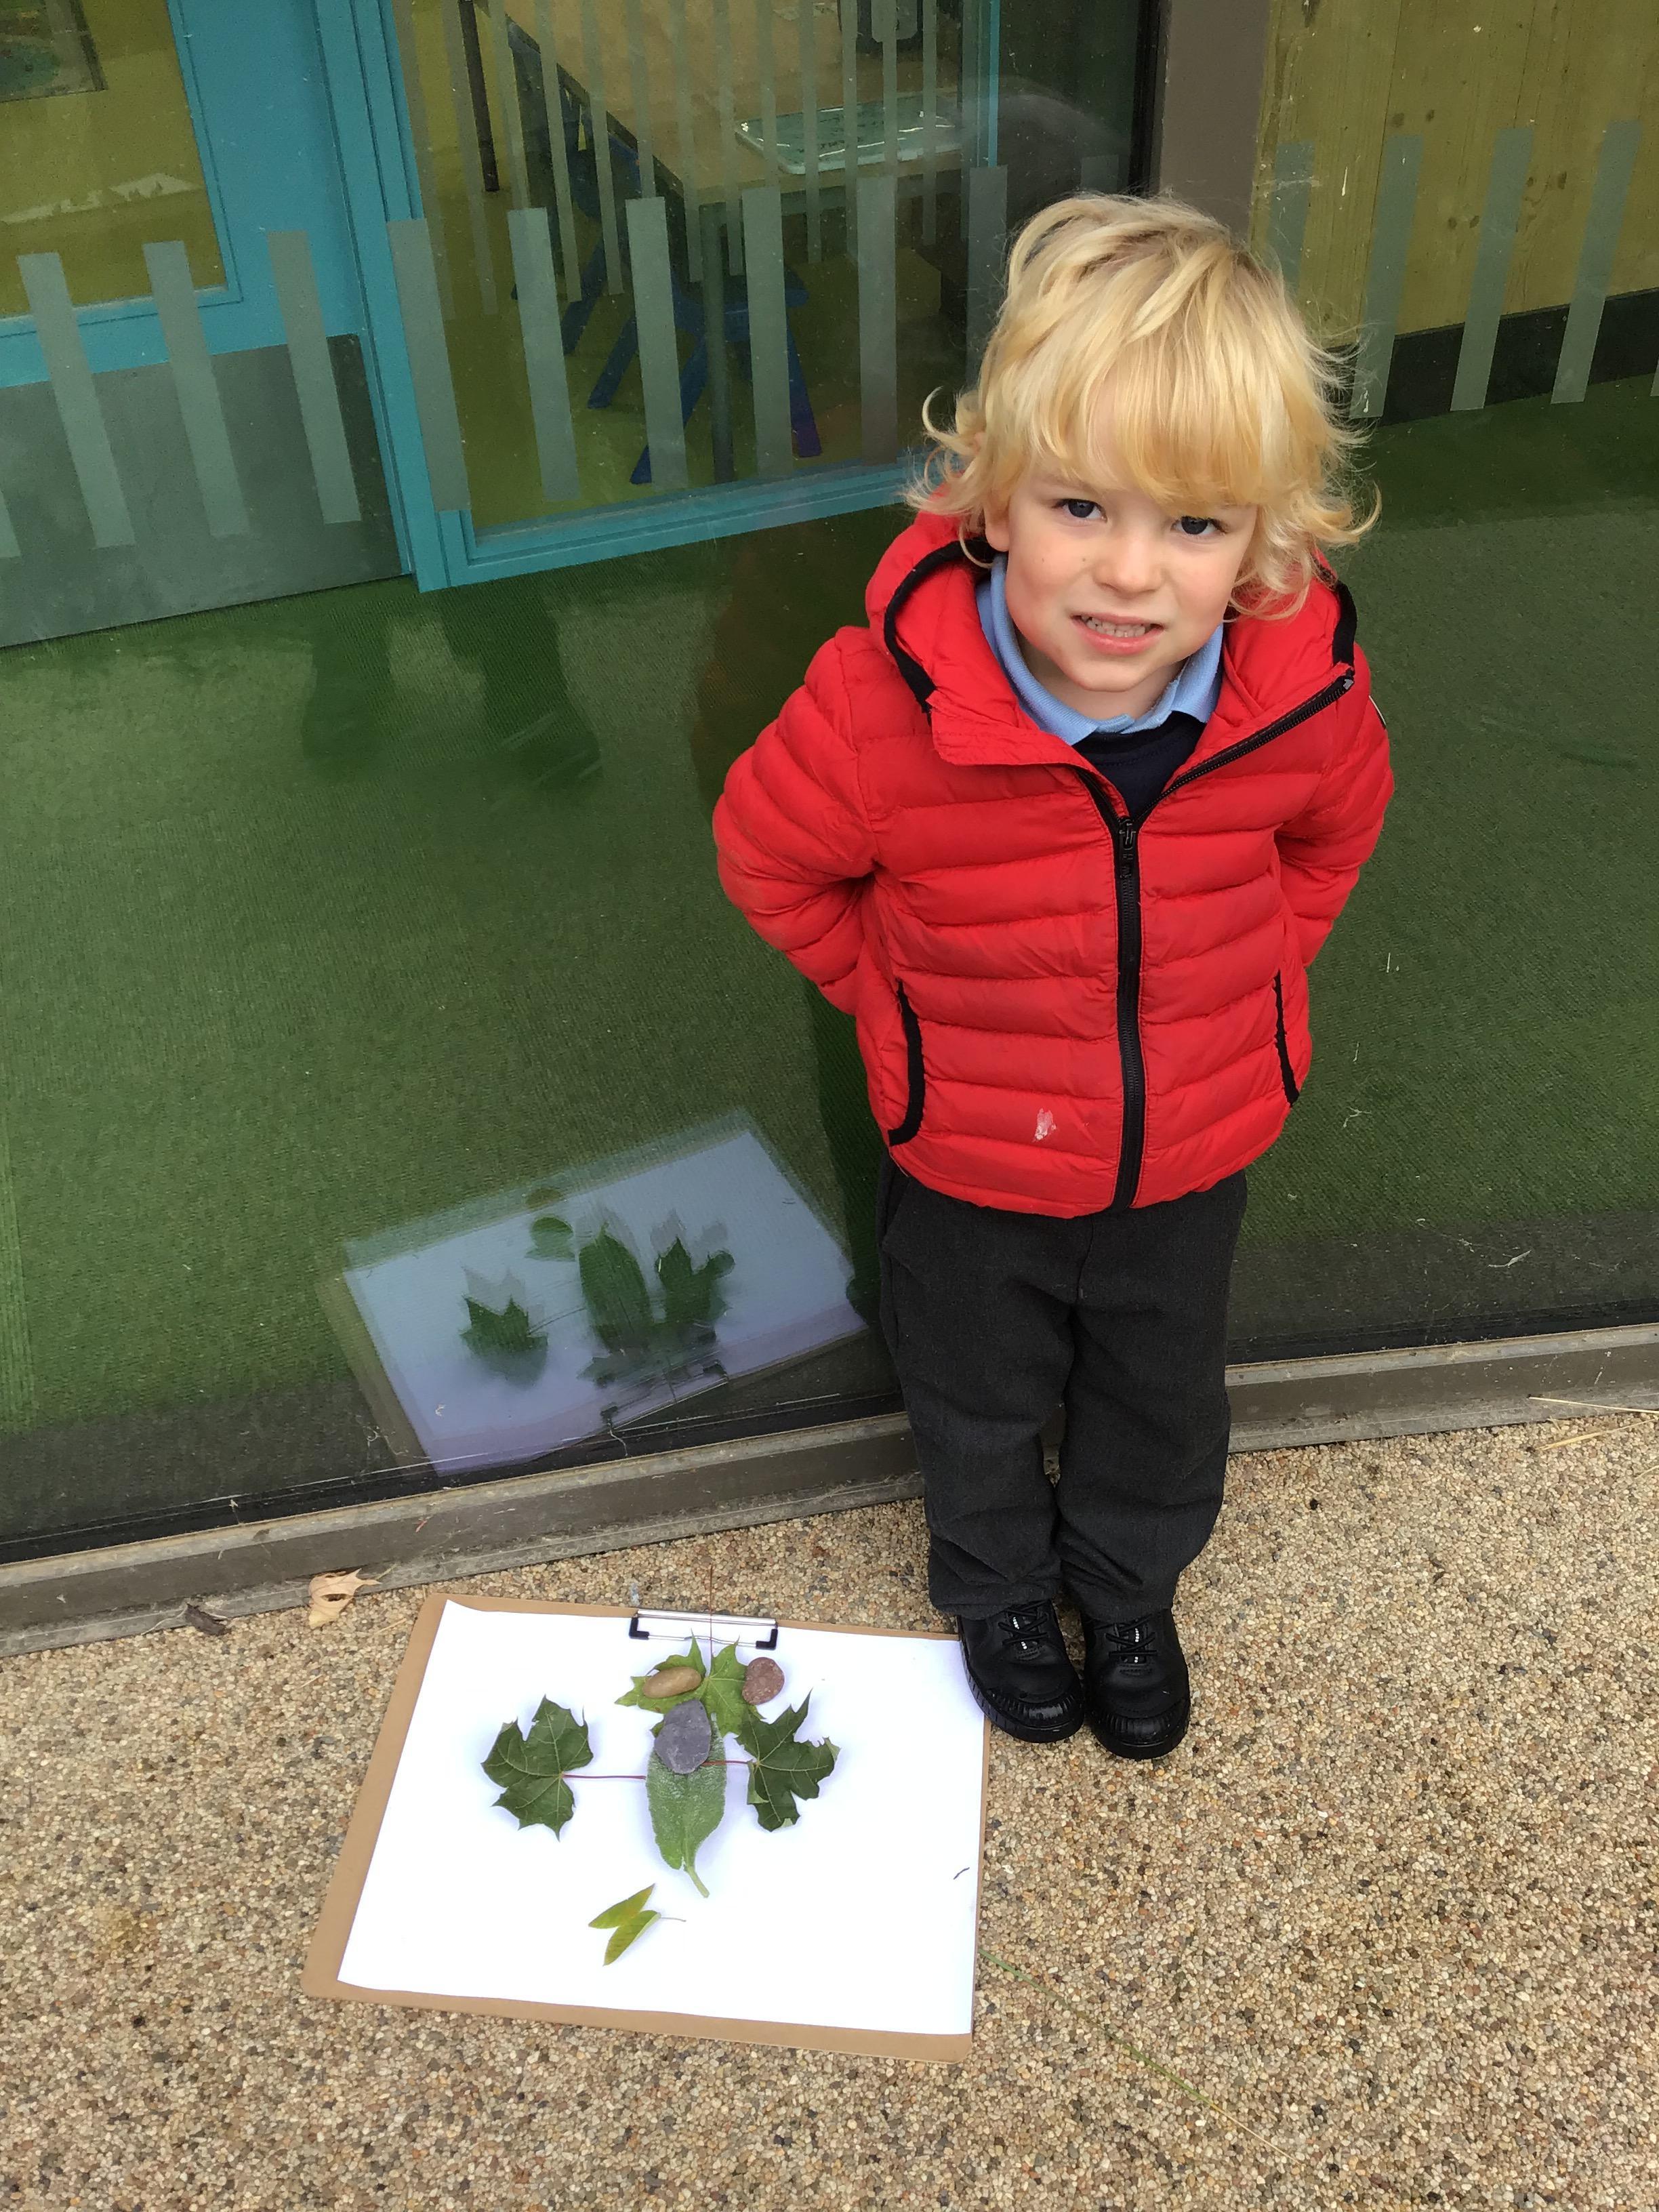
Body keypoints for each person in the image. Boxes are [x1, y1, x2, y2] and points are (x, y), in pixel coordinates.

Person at [712, 194, 1393, 1759]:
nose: (1131, 574)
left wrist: (1253, 980)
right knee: (974, 1400)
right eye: (1083, 505)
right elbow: (770, 860)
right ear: (995, 499)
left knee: (1164, 1399)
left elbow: (1335, 836)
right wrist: (896, 1000)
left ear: (1267, 542)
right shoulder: (880, 705)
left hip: (1187, 1160)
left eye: (1196, 525)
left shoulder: (1301, 700)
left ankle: (1129, 1591)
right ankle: (1001, 1591)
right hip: (967, 1166)